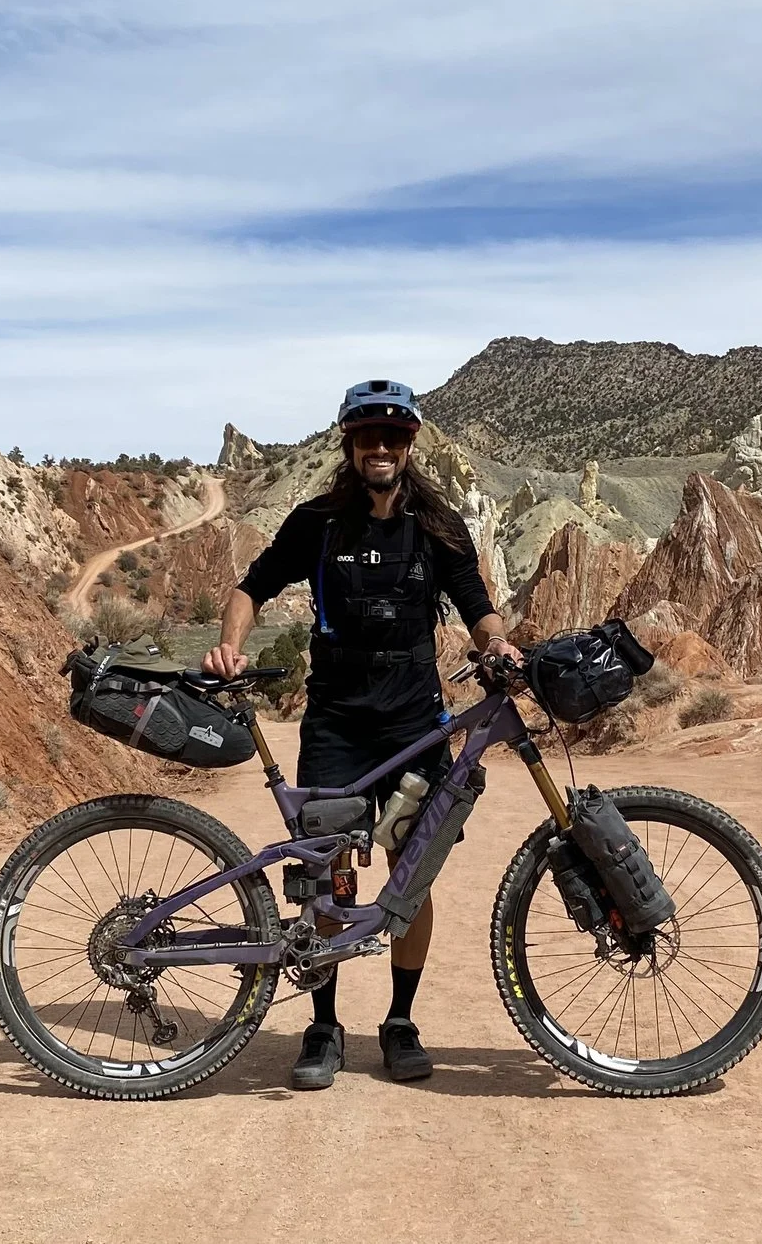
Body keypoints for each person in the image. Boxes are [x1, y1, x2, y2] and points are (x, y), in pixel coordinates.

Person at [201, 379, 521, 1089]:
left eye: (395, 436)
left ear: (411, 445)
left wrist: (497, 644)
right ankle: (323, 1026)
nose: (381, 447)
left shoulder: (438, 527)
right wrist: (231, 645)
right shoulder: (316, 522)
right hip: (336, 723)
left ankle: (400, 1022)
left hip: (414, 720)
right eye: (367, 435)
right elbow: (250, 589)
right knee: (328, 877)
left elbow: (478, 606)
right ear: (348, 444)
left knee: (414, 871)